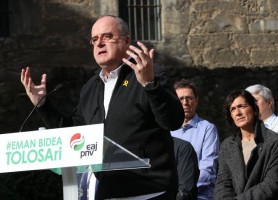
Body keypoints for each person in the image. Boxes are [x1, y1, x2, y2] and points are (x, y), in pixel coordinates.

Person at [20, 15, 184, 199]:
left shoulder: (150, 73)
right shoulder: (90, 87)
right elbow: (74, 134)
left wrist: (149, 85)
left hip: (149, 191)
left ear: (127, 41)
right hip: (107, 190)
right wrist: (43, 105)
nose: (99, 44)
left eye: (107, 36)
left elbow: (173, 121)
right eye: (95, 39)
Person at [214, 89, 278, 200]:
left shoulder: (275, 141)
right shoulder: (227, 145)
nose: (238, 113)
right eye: (233, 109)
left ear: (254, 110)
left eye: (242, 106)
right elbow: (223, 182)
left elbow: (272, 183)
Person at [170, 79, 219, 200]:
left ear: (196, 101)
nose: (185, 102)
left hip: (199, 195)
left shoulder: (207, 129)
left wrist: (184, 191)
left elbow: (208, 168)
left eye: (189, 98)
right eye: (180, 99)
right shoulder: (166, 131)